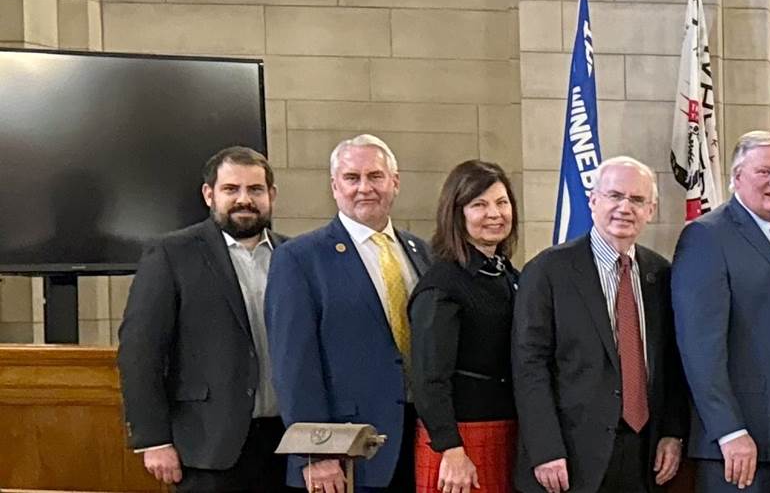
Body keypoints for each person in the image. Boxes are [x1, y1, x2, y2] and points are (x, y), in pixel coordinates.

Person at [119, 146, 290, 492]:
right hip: (206, 446)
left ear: (271, 195)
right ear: (209, 194)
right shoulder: (171, 254)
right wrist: (153, 440)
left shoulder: (293, 255)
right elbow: (140, 351)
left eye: (255, 189)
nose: (245, 199)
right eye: (232, 189)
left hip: (285, 444)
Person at [267, 134, 432, 493]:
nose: (364, 188)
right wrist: (316, 452)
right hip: (346, 454)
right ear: (334, 186)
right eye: (351, 178)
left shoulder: (421, 251)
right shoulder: (300, 258)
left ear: (395, 182)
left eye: (375, 176)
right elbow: (293, 364)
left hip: (420, 442)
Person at [512, 157, 688, 493]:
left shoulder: (661, 274)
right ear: (593, 201)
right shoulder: (548, 270)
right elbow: (529, 367)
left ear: (651, 210)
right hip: (570, 454)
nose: (625, 207)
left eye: (637, 200)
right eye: (615, 196)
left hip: (643, 453)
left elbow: (672, 362)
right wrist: (546, 449)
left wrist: (672, 431)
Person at [673, 130, 770, 492]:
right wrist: (729, 430)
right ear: (736, 178)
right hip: (745, 444)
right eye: (764, 172)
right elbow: (700, 349)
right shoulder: (706, 237)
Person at [409, 161, 522, 493]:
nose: (495, 213)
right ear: (456, 213)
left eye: (502, 203)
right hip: (462, 439)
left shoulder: (506, 275)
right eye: (480, 205)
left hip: (507, 428)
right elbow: (429, 377)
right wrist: (451, 448)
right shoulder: (442, 284)